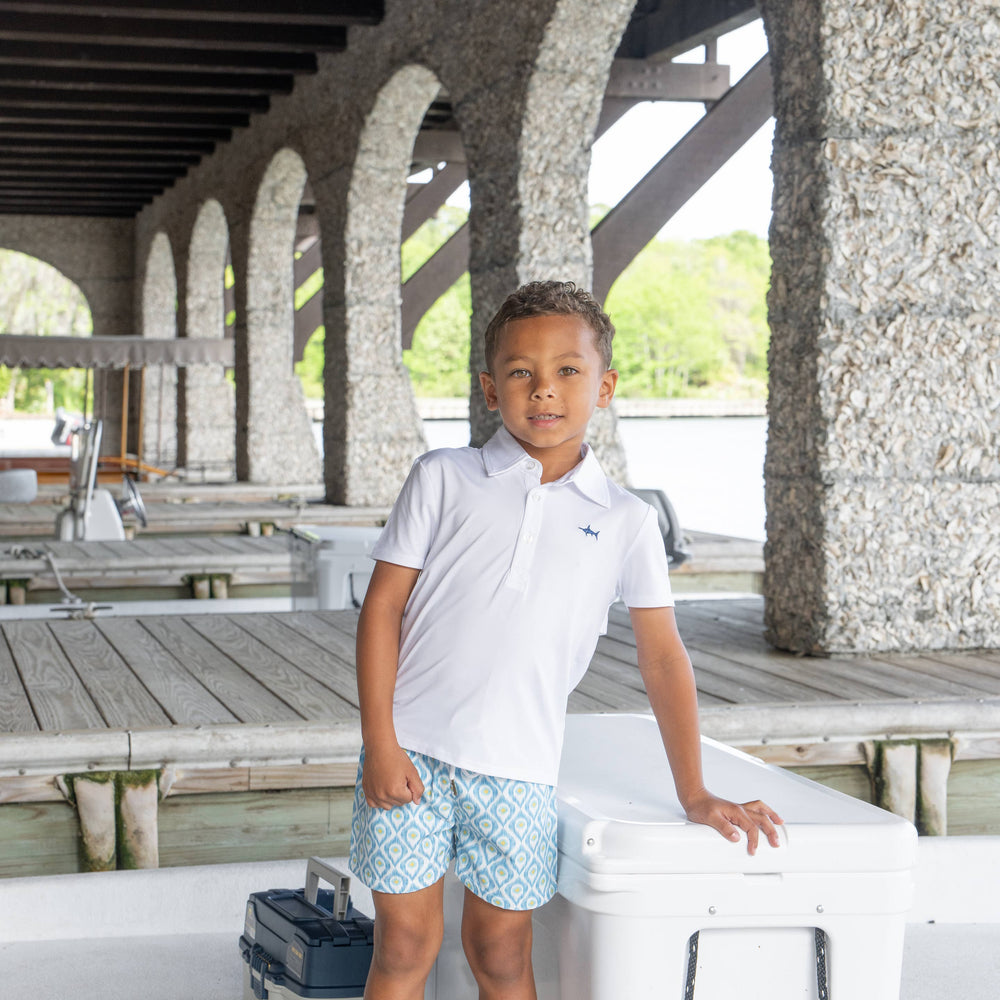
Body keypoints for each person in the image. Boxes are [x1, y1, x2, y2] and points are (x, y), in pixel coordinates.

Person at [350, 280, 782, 1000]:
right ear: (492, 390)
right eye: (521, 372)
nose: (543, 391)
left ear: (604, 385)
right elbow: (381, 611)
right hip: (410, 753)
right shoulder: (442, 478)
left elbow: (663, 657)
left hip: (519, 769)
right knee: (403, 945)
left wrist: (696, 790)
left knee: (502, 954)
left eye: (567, 371)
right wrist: (381, 742)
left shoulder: (627, 520)